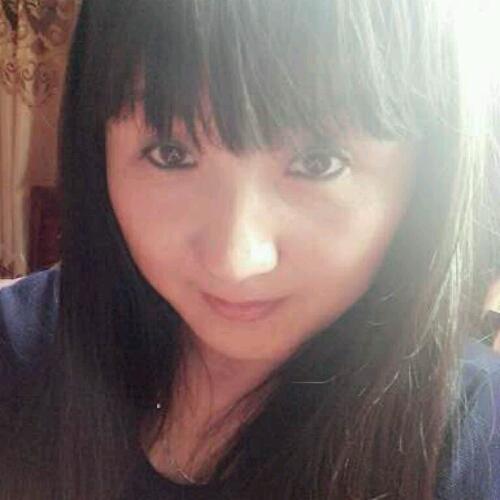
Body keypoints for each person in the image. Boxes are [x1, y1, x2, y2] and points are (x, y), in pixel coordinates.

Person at [0, 1, 499, 499]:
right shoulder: (21, 350)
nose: (236, 261)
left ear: (426, 173)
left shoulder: (473, 441)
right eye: (171, 154)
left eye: (319, 162)